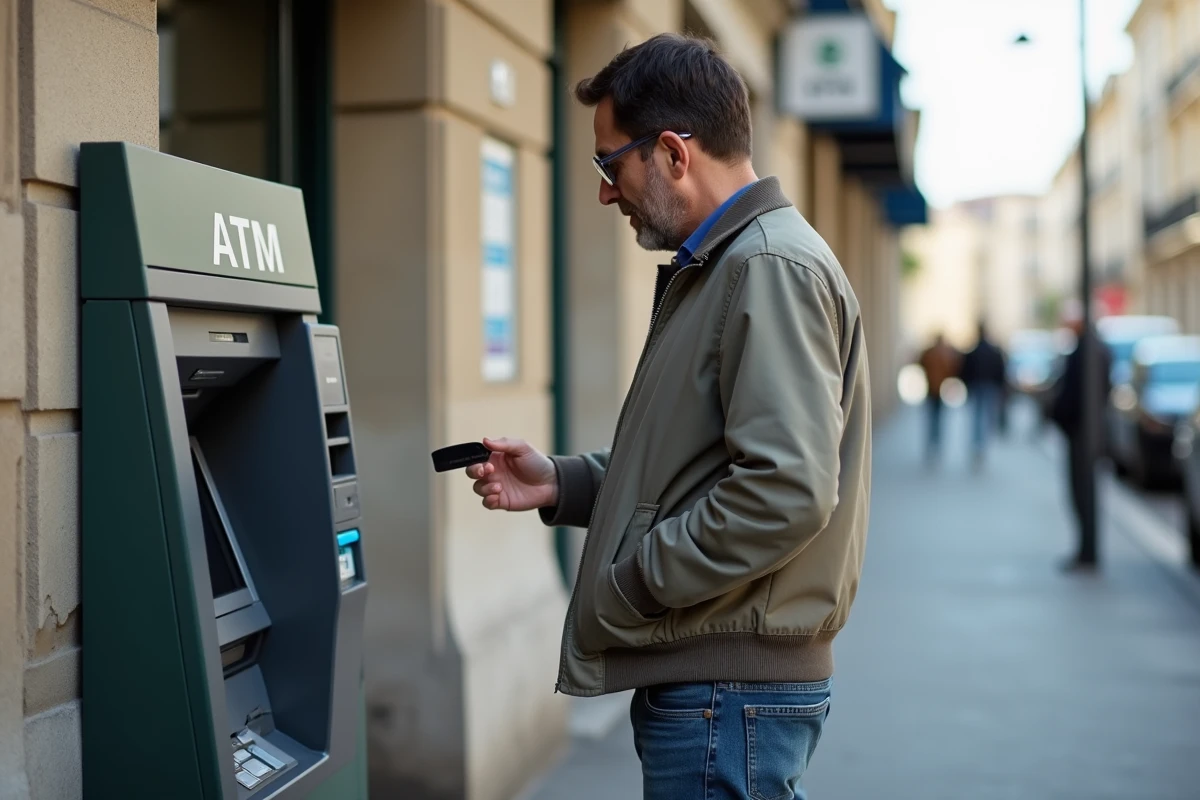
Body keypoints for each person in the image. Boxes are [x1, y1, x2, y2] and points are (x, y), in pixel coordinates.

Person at [462, 34, 869, 800]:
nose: (605, 192)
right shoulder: (733, 265)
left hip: (726, 690)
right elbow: (697, 462)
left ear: (675, 154)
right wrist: (563, 483)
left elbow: (786, 491)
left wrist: (638, 580)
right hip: (725, 687)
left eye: (609, 163)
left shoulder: (764, 267)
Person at [1049, 314, 1112, 570]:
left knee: (1081, 492)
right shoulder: (1097, 349)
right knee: (1082, 493)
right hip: (1084, 431)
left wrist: (1060, 416)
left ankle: (1087, 551)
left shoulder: (1086, 352)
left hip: (1081, 433)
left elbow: (1073, 395)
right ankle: (1086, 549)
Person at [959, 322, 1008, 467]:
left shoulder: (973, 352)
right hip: (988, 387)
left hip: (977, 387)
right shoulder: (992, 351)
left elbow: (964, 370)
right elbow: (1000, 370)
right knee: (986, 417)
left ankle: (977, 444)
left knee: (976, 417)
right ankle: (981, 445)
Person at [918, 334, 961, 463]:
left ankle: (931, 445)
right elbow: (952, 369)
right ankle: (936, 445)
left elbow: (921, 364)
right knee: (938, 420)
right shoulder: (944, 354)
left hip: (932, 390)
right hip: (938, 390)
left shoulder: (929, 352)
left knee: (932, 419)